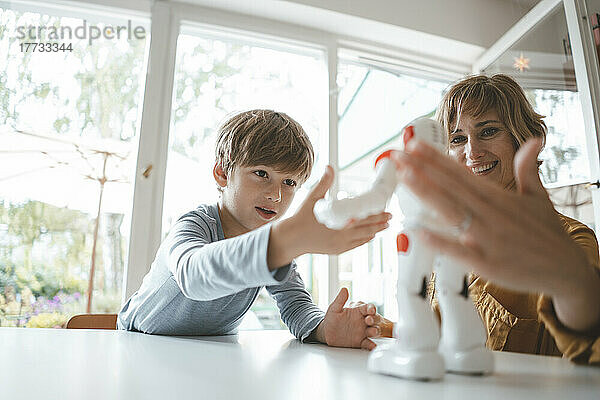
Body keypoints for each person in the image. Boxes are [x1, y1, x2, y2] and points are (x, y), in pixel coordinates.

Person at [118, 109, 390, 349]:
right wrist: (284, 241)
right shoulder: (197, 224)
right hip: (136, 344)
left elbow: (296, 305)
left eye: (290, 183)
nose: (276, 196)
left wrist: (325, 329)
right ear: (222, 173)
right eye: (262, 174)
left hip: (205, 358)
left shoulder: (273, 247)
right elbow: (193, 276)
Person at [390, 74, 600, 365]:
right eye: (458, 139)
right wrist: (375, 327)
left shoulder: (571, 239)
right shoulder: (444, 239)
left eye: (488, 131)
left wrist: (572, 284)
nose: (472, 152)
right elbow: (436, 334)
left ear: (521, 139)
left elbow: (589, 340)